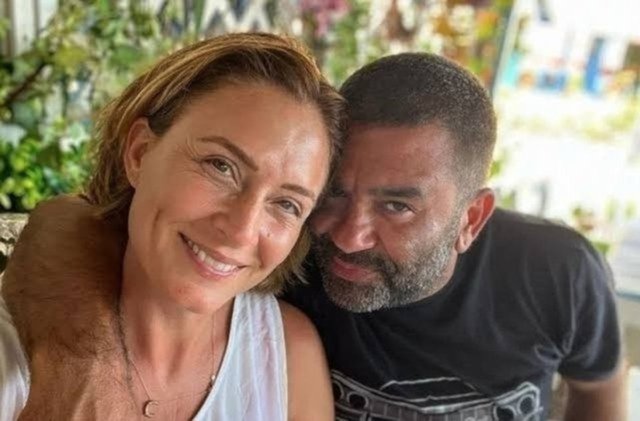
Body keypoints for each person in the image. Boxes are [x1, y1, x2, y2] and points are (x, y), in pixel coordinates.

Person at [3, 51, 626, 421]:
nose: (349, 236)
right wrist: (79, 368)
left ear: (471, 219)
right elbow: (72, 221)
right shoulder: (300, 262)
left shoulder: (555, 271)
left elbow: (600, 392)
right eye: (333, 196)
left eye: (397, 207)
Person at [0, 32, 345, 420]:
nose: (242, 230)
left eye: (286, 204)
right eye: (221, 166)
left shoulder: (288, 357)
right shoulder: (11, 359)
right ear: (139, 153)